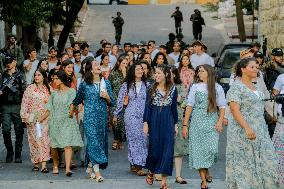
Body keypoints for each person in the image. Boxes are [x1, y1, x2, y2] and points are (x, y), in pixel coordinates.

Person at [226, 57, 279, 188]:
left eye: (256, 67)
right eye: (252, 67)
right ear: (243, 69)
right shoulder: (236, 88)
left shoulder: (255, 86)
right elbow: (234, 110)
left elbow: (264, 104)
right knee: (245, 162)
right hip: (242, 131)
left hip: (260, 129)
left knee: (268, 160)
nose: (256, 69)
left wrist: (274, 116)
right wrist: (247, 128)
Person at [71, 60, 115, 182]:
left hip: (102, 118)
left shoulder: (105, 82)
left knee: (98, 142)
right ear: (90, 69)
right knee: (93, 141)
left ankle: (90, 166)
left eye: (98, 64)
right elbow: (77, 99)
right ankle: (97, 172)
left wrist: (107, 97)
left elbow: (113, 102)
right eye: (95, 65)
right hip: (89, 117)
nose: (98, 66)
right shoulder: (85, 84)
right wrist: (70, 111)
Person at [182, 65, 226, 189]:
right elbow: (189, 106)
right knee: (199, 151)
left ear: (209, 73)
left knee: (212, 150)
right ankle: (203, 181)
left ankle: (206, 170)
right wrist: (185, 125)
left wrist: (219, 121)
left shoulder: (217, 88)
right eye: (199, 71)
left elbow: (222, 106)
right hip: (197, 121)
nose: (199, 73)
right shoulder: (195, 87)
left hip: (211, 120)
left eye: (202, 71)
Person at [38, 70, 83, 176]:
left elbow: (74, 105)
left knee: (67, 145)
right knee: (54, 146)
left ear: (62, 79)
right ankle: (55, 165)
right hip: (55, 122)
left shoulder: (71, 91)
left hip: (67, 120)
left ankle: (67, 169)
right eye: (53, 79)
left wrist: (72, 111)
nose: (54, 80)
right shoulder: (53, 93)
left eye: (56, 78)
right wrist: (40, 118)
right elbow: (49, 109)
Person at [144, 64, 178, 189]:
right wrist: (146, 123)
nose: (156, 75)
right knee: (154, 149)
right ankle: (151, 171)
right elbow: (147, 107)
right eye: (155, 73)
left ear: (166, 75)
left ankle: (164, 182)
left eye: (159, 73)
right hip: (154, 119)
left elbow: (174, 108)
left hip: (168, 119)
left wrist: (176, 124)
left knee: (168, 150)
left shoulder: (173, 89)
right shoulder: (151, 88)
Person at [113, 62, 148, 176]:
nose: (140, 71)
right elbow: (120, 100)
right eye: (138, 69)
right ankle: (138, 166)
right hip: (131, 115)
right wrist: (116, 114)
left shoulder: (147, 85)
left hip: (144, 116)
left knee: (143, 139)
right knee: (134, 139)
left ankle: (135, 162)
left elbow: (151, 101)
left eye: (142, 69)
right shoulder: (126, 85)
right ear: (132, 71)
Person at [20, 68, 51, 173]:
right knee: (33, 141)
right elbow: (25, 103)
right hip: (32, 118)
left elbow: (50, 105)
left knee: (44, 140)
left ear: (43, 76)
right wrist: (25, 116)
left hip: (44, 118)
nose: (36, 77)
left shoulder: (48, 89)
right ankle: (36, 163)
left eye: (39, 75)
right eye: (35, 75)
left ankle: (44, 164)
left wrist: (44, 116)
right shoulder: (30, 88)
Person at [0, 55, 27, 163]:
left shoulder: (20, 75)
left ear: (15, 62)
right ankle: (10, 151)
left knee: (19, 131)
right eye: (7, 62)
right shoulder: (2, 75)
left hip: (17, 105)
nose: (8, 64)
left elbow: (24, 90)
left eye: (10, 62)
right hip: (5, 106)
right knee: (6, 130)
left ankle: (18, 154)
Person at [170, 67, 188, 185]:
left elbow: (183, 100)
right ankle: (160, 173)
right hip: (164, 119)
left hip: (178, 118)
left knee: (178, 147)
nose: (170, 75)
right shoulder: (159, 86)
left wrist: (179, 100)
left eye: (172, 74)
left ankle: (178, 175)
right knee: (164, 146)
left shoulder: (180, 86)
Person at [109, 56, 128, 150]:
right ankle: (116, 140)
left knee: (122, 122)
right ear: (118, 63)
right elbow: (109, 87)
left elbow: (128, 85)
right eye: (123, 63)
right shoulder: (113, 73)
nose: (125, 65)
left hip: (124, 101)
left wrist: (125, 74)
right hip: (114, 99)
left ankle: (119, 140)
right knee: (114, 120)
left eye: (126, 63)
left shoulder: (128, 74)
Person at [272, 73, 284, 185]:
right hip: (282, 119)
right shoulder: (281, 77)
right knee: (280, 151)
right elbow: (274, 96)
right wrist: (274, 112)